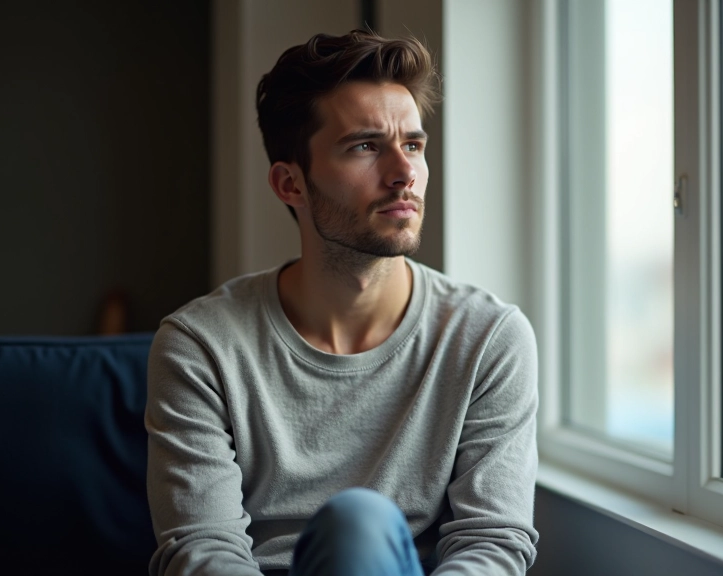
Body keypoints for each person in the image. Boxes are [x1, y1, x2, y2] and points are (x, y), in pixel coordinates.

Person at [145, 30, 539, 576]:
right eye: (365, 146)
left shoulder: (488, 338)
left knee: (359, 525)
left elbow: (492, 544)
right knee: (355, 523)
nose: (404, 174)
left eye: (414, 145)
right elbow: (201, 550)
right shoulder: (201, 347)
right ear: (291, 184)